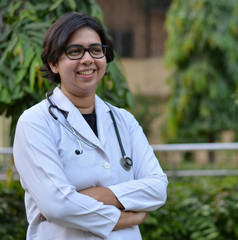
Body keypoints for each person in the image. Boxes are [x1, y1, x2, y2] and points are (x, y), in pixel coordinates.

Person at [13, 12, 168, 240]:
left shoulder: (124, 120)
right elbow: (57, 206)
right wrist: (125, 217)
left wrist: (94, 195)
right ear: (53, 63)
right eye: (74, 51)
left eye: (96, 50)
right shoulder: (35, 122)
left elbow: (157, 188)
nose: (88, 59)